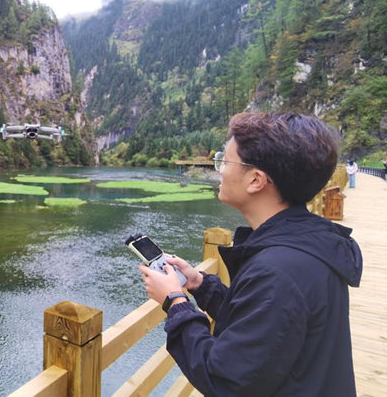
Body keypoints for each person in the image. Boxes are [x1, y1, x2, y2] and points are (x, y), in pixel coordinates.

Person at [138, 112, 362, 396]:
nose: (219, 169)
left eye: (225, 161)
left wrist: (176, 302)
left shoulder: (278, 272)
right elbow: (263, 327)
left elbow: (224, 380)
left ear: (256, 180)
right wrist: (199, 284)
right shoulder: (308, 244)